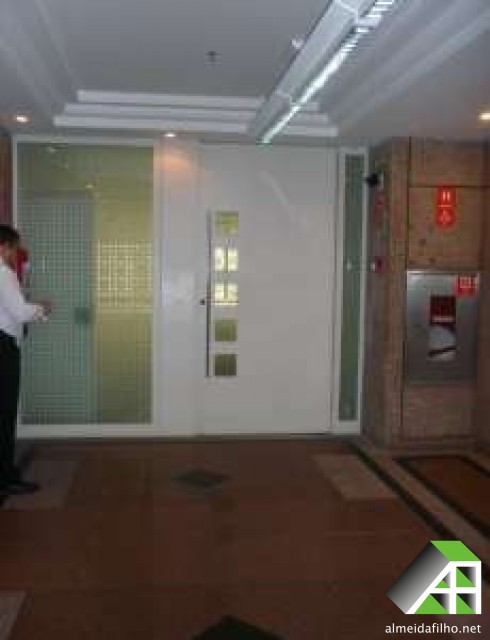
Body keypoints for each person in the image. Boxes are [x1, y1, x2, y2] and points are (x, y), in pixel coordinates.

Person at [0, 224, 52, 496]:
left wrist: (35, 310)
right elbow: (20, 312)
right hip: (4, 349)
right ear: (4, 247)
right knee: (5, 414)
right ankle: (6, 479)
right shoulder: (4, 273)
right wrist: (43, 307)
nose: (15, 254)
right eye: (13, 248)